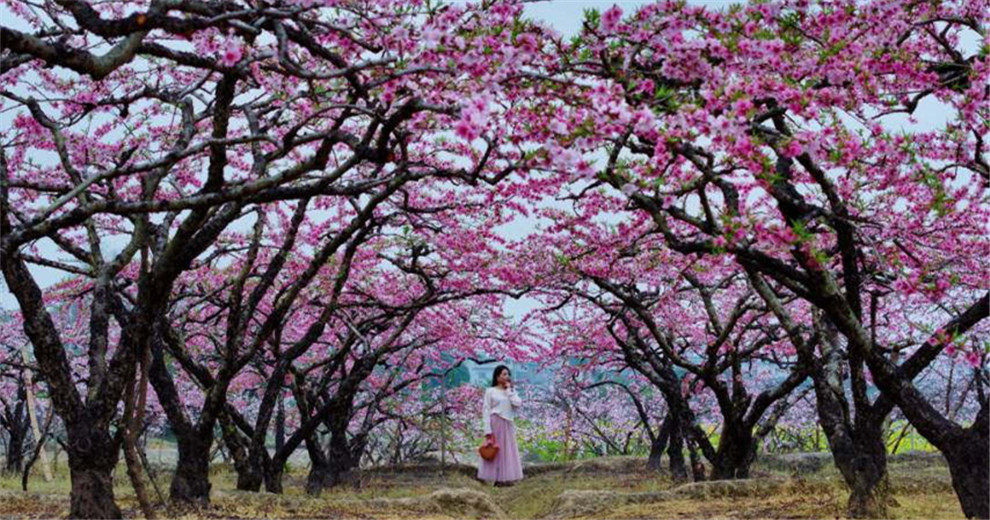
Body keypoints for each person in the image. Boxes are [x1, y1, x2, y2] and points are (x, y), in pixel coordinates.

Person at [477, 365, 524, 486]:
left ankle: (504, 479)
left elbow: (517, 404)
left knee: (507, 450)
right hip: (495, 422)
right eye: (504, 374)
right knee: (494, 448)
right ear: (497, 377)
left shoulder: (511, 391)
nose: (507, 376)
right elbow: (486, 410)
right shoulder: (490, 391)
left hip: (507, 423)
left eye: (508, 374)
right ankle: (494, 477)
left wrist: (509, 390)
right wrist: (487, 429)